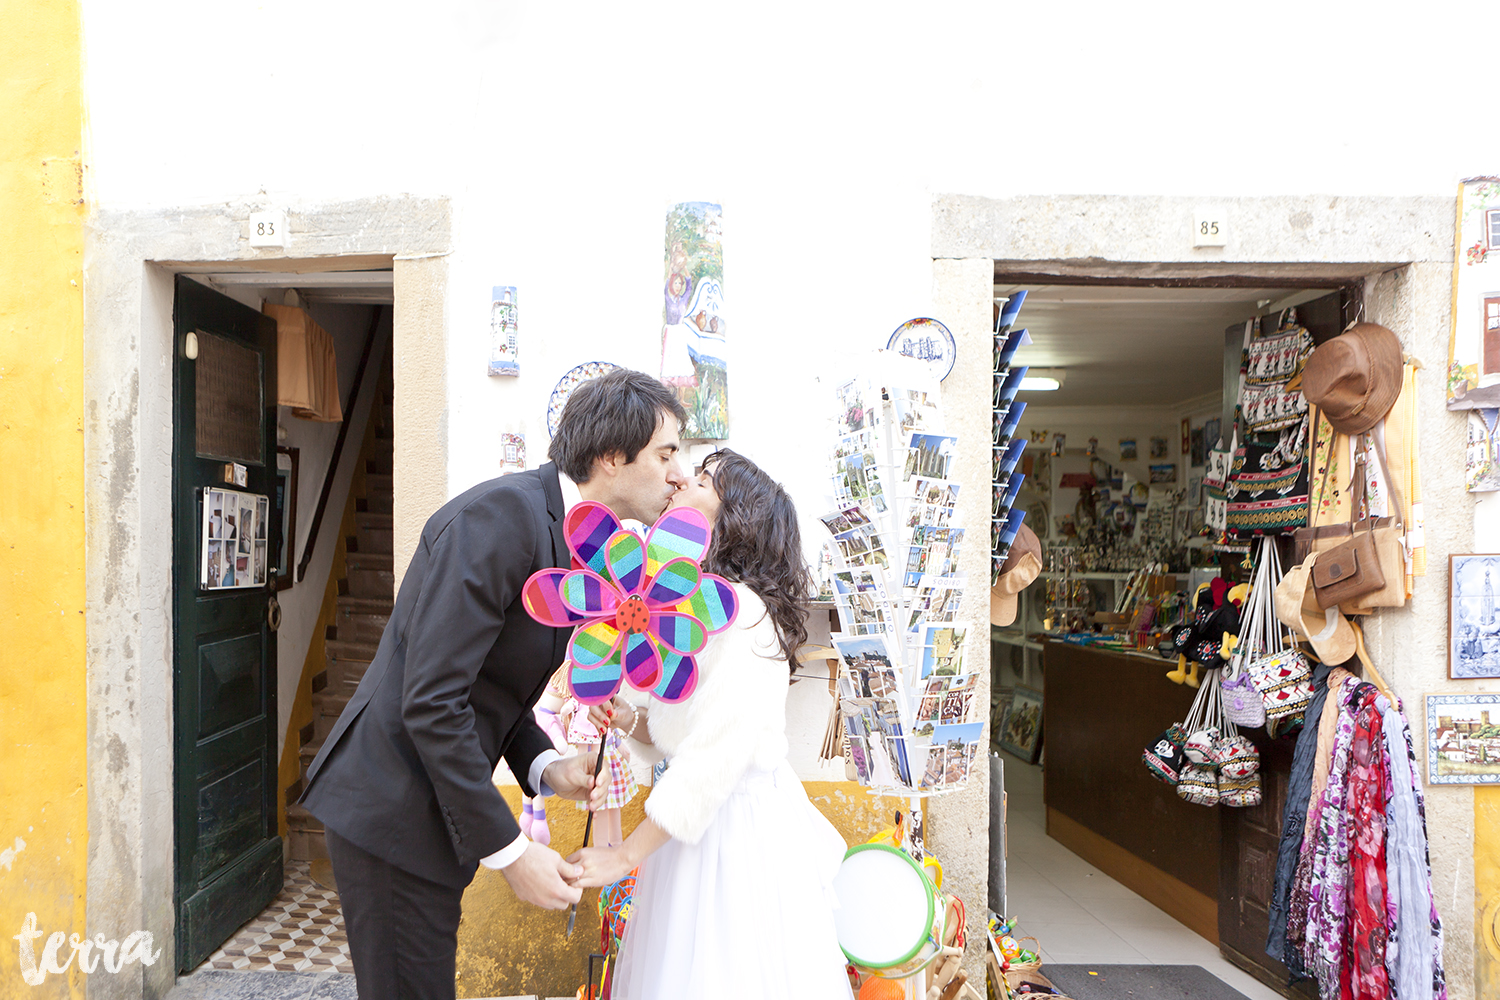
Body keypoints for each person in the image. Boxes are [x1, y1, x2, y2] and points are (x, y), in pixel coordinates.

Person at [300, 368, 689, 1000]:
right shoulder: (497, 521)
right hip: (392, 807)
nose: (680, 474)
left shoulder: (574, 538)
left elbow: (493, 689)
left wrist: (547, 766)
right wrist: (511, 853)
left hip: (434, 811)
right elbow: (431, 702)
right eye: (667, 454)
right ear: (613, 457)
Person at [571, 449, 853, 999]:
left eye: (701, 480)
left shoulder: (743, 612)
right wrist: (630, 718)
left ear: (734, 517)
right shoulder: (699, 607)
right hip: (693, 830)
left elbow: (717, 759)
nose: (679, 481)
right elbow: (686, 734)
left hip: (733, 841)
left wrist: (625, 854)